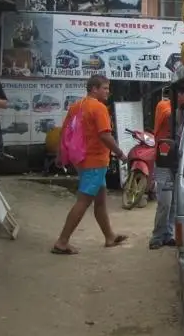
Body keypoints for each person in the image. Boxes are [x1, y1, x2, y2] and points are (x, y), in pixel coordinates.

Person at [51, 75, 128, 255]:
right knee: (83, 201)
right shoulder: (99, 108)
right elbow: (104, 135)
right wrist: (120, 153)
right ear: (94, 89)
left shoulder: (77, 106)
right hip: (95, 161)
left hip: (82, 160)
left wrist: (60, 154)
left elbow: (65, 132)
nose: (108, 92)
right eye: (105, 88)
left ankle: (109, 237)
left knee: (100, 201)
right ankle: (62, 242)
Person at [149, 89, 184, 250]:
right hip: (164, 160)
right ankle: (157, 236)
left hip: (178, 161)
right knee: (164, 202)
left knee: (174, 203)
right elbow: (168, 116)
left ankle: (169, 234)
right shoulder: (164, 106)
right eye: (183, 93)